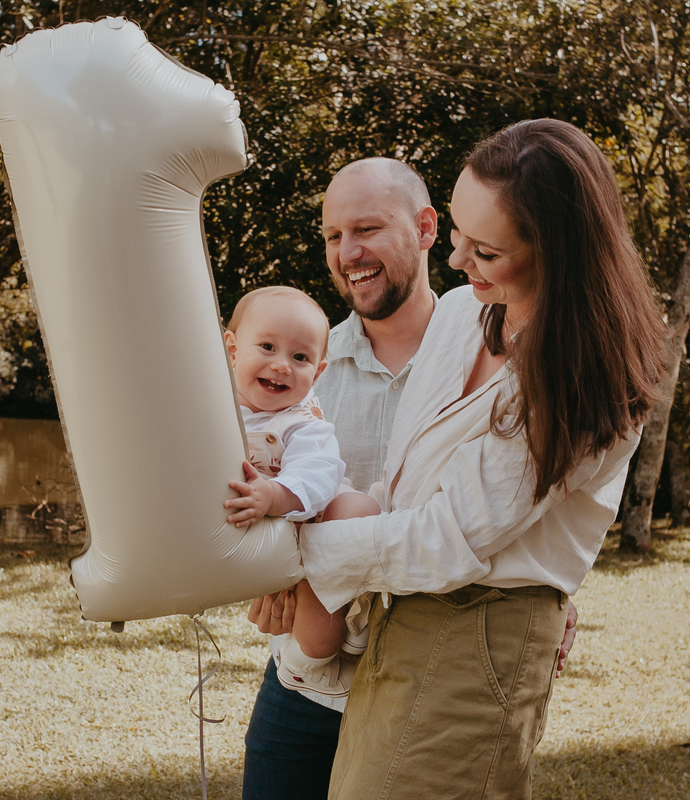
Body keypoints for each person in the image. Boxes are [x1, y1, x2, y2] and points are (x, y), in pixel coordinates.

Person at [293, 119, 668, 799]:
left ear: (558, 254)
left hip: (481, 633)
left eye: (486, 251)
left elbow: (450, 537)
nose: (460, 261)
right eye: (460, 235)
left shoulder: (582, 380)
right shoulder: (465, 311)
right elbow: (405, 488)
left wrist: (300, 556)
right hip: (402, 616)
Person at [241, 156, 582, 800]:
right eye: (333, 236)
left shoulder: (485, 339)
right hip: (309, 674)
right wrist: (267, 571)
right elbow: (251, 503)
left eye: (365, 229)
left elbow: (512, 506)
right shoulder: (297, 373)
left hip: (424, 669)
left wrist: (548, 594)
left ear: (427, 228)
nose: (347, 253)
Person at [222, 286, 380, 697]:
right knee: (315, 625)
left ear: (318, 372)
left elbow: (317, 473)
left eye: (299, 357)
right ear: (232, 348)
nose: (281, 366)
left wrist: (274, 496)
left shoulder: (303, 422)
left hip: (312, 520)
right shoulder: (213, 411)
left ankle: (310, 656)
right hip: (264, 541)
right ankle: (312, 656)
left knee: (360, 507)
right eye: (268, 347)